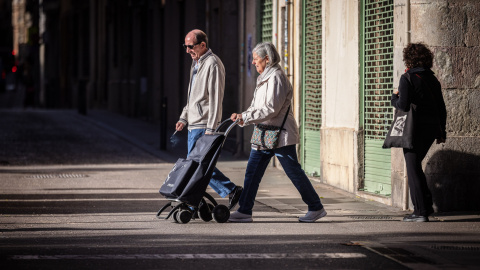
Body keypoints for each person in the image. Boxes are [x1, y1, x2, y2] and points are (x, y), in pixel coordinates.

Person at [228, 42, 326, 223]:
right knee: (252, 172)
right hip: (264, 134)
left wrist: (247, 117)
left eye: (256, 59)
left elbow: (271, 109)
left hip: (280, 135)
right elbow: (256, 107)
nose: (252, 62)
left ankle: (315, 207)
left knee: (293, 172)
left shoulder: (276, 78)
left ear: (267, 59)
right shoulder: (265, 77)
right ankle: (245, 210)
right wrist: (244, 116)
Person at [175, 29, 242, 210]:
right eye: (185, 46)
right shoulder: (196, 63)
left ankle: (227, 191)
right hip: (194, 124)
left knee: (197, 166)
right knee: (196, 165)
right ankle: (198, 202)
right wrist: (184, 117)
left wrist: (212, 128)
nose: (187, 50)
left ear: (202, 45)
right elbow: (192, 97)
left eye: (190, 46)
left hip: (204, 124)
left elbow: (215, 99)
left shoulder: (213, 63)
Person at [392, 43, 447, 222]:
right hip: (431, 130)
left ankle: (420, 212)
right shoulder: (432, 79)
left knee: (413, 168)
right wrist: (442, 130)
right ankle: (426, 206)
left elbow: (403, 105)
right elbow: (441, 108)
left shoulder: (407, 77)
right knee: (416, 166)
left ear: (409, 59)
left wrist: (394, 97)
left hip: (414, 130)